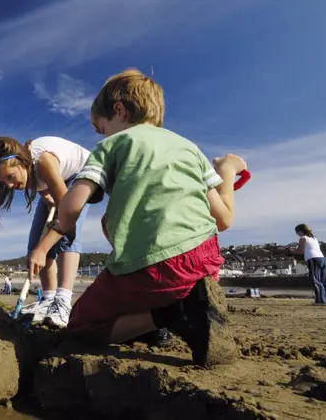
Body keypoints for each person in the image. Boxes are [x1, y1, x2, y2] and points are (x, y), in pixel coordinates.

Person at [50, 68, 246, 367]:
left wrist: (64, 227)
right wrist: (227, 174)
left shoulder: (111, 145)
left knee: (80, 327)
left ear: (118, 110)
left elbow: (70, 205)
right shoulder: (189, 148)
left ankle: (171, 315)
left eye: (101, 128)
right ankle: (182, 306)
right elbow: (223, 219)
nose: (101, 135)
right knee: (144, 275)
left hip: (151, 269)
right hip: (204, 263)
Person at [0, 135, 91, 328]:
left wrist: (44, 246)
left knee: (66, 237)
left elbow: (68, 215)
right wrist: (48, 203)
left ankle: (63, 301)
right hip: (59, 182)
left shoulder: (42, 161)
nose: (10, 186)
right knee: (35, 244)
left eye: (10, 177)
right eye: (4, 183)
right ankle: (48, 299)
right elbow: (45, 189)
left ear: (21, 161)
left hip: (83, 176)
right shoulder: (29, 173)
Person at [292, 224, 326, 305]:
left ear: (300, 231)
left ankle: (321, 301)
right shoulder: (314, 238)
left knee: (315, 280)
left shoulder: (303, 238)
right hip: (322, 258)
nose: (297, 234)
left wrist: (291, 252)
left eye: (297, 231)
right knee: (323, 280)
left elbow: (300, 251)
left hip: (313, 259)